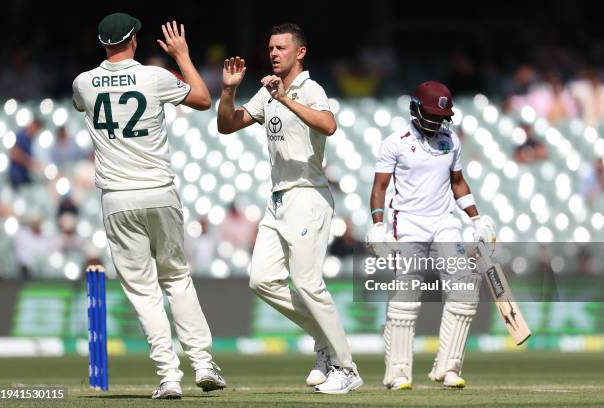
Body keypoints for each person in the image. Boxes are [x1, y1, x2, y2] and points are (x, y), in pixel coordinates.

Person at [71, 13, 225, 399]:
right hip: (159, 191)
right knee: (176, 278)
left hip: (118, 199)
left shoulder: (84, 83)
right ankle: (204, 364)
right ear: (134, 40)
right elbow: (204, 99)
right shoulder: (154, 77)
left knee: (143, 291)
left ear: (103, 43)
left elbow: (80, 105)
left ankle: (169, 376)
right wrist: (183, 55)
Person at [217, 23, 362, 394]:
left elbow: (329, 125)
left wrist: (285, 99)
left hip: (308, 195)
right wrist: (229, 92)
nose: (274, 53)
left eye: (281, 47)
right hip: (278, 198)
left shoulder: (310, 89)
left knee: (309, 283)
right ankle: (326, 344)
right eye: (270, 48)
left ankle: (347, 368)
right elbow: (227, 125)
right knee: (261, 279)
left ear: (300, 52)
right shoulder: (267, 92)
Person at [366, 81, 496, 390]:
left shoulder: (450, 140)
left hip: (444, 223)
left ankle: (447, 369)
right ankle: (398, 373)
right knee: (405, 297)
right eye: (431, 114)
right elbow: (379, 188)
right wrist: (377, 224)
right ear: (415, 109)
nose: (436, 121)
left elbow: (458, 182)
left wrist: (476, 218)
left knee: (465, 287)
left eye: (441, 116)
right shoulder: (395, 142)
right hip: (409, 223)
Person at [9, 118, 42, 189]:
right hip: (17, 176)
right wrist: (29, 163)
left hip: (25, 175)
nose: (36, 132)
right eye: (36, 129)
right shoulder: (20, 136)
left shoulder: (31, 140)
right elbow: (14, 153)